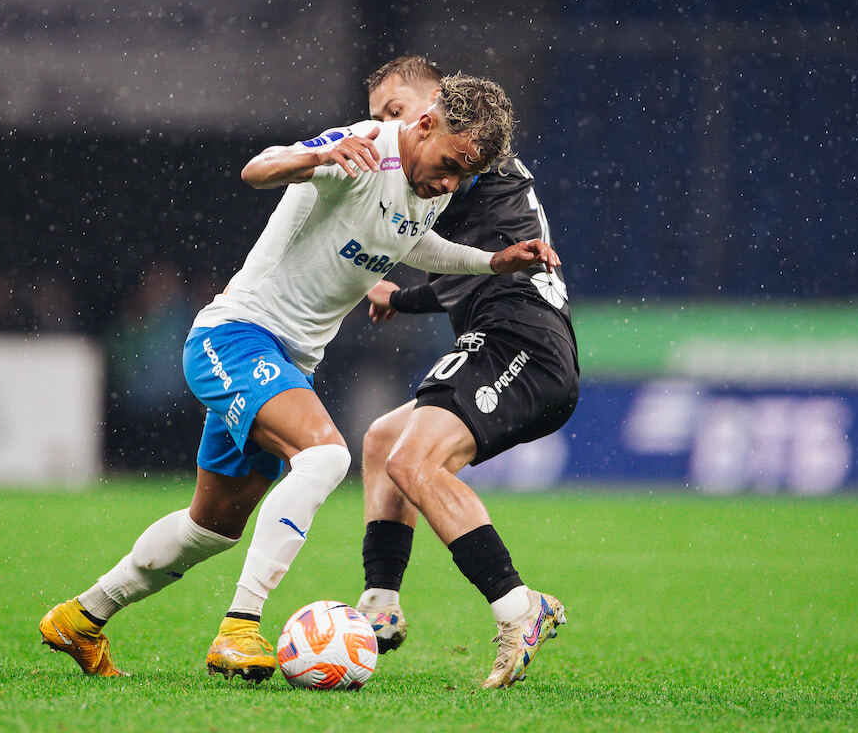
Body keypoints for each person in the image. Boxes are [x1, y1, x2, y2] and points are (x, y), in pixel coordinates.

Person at [39, 73, 561, 681]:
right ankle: (239, 629)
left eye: (463, 175)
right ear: (425, 126)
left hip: (289, 362)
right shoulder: (367, 145)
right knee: (326, 458)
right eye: (450, 163)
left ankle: (81, 618)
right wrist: (318, 155)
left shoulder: (432, 187)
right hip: (235, 336)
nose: (451, 182)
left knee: (210, 527)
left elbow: (412, 245)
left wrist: (489, 262)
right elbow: (258, 169)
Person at [355, 57, 579, 689]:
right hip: (507, 337)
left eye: (395, 113)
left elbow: (458, 258)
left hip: (520, 341)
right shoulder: (454, 165)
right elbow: (461, 272)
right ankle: (380, 605)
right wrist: (396, 297)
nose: (386, 128)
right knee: (383, 442)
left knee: (415, 463)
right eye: (377, 118)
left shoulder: (472, 164)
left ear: (434, 110)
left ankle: (519, 608)